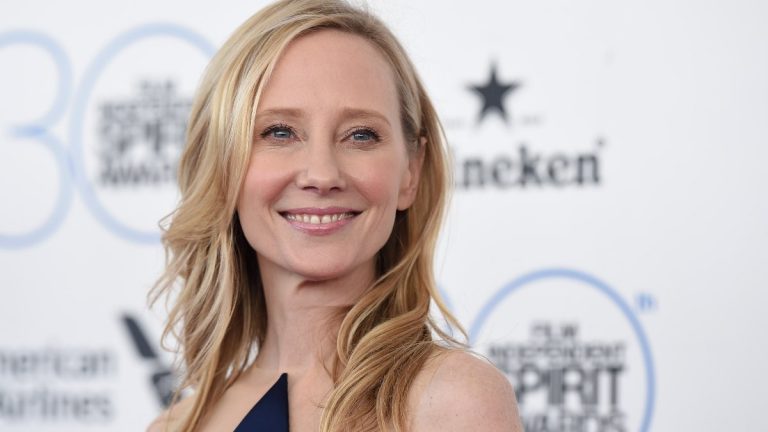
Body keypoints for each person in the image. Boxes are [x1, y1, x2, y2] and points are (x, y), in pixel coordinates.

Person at [148, 0, 522, 430]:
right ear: (221, 165)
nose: (322, 175)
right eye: (280, 132)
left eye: (361, 135)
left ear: (411, 172)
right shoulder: (174, 426)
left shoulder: (452, 401)